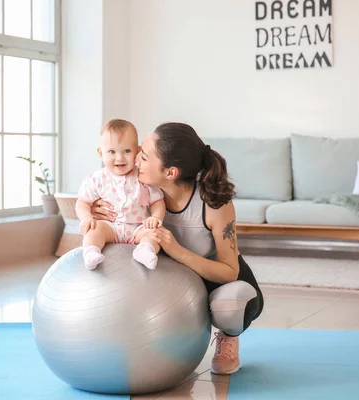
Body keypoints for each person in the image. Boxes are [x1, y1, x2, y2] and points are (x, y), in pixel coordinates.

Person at [90, 122, 264, 375]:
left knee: (231, 307)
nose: (135, 158)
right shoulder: (136, 188)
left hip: (217, 280)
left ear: (170, 172)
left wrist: (176, 250)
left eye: (145, 156)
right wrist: (95, 211)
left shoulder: (214, 204)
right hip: (170, 282)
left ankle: (228, 336)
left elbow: (229, 272)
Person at [75, 119, 166, 270]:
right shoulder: (97, 179)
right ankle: (91, 252)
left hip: (138, 227)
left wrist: (156, 217)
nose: (119, 158)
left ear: (137, 151)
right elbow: (83, 202)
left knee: (154, 234)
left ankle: (145, 250)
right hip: (110, 227)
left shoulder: (142, 177)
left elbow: (158, 201)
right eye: (111, 152)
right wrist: (86, 217)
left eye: (127, 151)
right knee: (93, 230)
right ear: (100, 152)